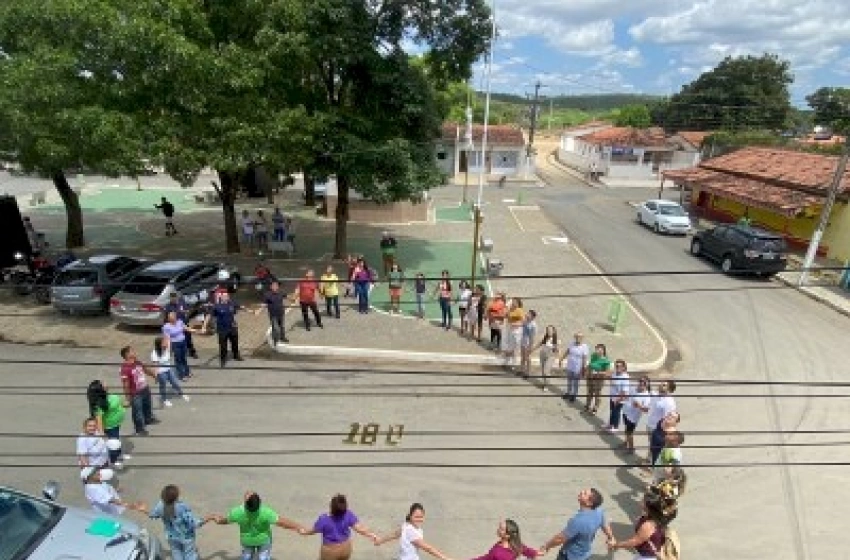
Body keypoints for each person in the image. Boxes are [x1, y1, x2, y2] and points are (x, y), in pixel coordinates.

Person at [212, 491, 305, 560]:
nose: (248, 492)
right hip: (264, 540)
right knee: (263, 557)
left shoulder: (237, 512)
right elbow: (282, 523)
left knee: (246, 556)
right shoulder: (266, 512)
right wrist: (298, 527)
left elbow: (224, 521)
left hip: (247, 541)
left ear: (245, 504)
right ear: (260, 502)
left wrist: (216, 518)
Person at [608, 482, 679, 559]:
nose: (639, 501)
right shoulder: (657, 517)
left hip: (645, 557)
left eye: (643, 501)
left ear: (648, 507)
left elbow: (634, 541)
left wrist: (616, 544)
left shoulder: (648, 525)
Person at [539, 488, 614, 560]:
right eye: (584, 491)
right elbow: (605, 525)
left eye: (585, 493)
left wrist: (546, 546)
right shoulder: (599, 511)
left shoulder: (579, 521)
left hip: (570, 556)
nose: (581, 492)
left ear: (589, 503)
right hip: (585, 554)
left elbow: (560, 538)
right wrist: (610, 537)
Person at [143, 485, 214, 560]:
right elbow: (194, 523)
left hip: (172, 537)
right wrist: (210, 517)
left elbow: (152, 514)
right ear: (176, 496)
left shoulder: (160, 505)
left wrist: (143, 509)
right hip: (186, 537)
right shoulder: (181, 507)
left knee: (176, 553)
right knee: (190, 555)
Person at [299, 494, 379, 560]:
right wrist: (372, 535)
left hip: (330, 550)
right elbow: (360, 529)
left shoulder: (324, 519)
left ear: (331, 506)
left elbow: (313, 531)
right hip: (345, 548)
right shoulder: (348, 514)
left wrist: (304, 532)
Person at [374, 503, 453, 560]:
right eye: (416, 517)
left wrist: (380, 541)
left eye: (421, 517)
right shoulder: (411, 531)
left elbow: (395, 534)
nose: (419, 519)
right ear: (410, 516)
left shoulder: (406, 526)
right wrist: (445, 558)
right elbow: (428, 548)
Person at [119, 346, 159, 436]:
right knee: (137, 411)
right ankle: (139, 429)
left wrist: (154, 375)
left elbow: (145, 370)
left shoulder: (137, 362)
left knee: (147, 406)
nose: (135, 352)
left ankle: (148, 419)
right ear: (127, 354)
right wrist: (128, 398)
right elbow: (125, 385)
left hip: (145, 388)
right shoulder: (125, 368)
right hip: (135, 393)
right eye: (132, 351)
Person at [87, 380, 127, 467]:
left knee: (117, 439)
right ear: (101, 390)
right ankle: (114, 460)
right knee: (113, 443)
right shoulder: (99, 405)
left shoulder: (107, 396)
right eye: (102, 384)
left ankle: (119, 454)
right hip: (110, 427)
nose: (105, 382)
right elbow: (99, 419)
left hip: (116, 424)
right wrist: (102, 433)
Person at [203, 291, 247, 368]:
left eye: (227, 296)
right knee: (223, 345)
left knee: (235, 343)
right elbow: (208, 316)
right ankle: (223, 359)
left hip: (232, 328)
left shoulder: (231, 304)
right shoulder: (216, 306)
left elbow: (241, 307)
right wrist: (204, 326)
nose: (226, 297)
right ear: (221, 297)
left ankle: (236, 355)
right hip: (222, 329)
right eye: (224, 296)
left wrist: (252, 311)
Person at [470, 519, 540, 560]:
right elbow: (531, 552)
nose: (498, 529)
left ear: (507, 535)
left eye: (501, 529)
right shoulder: (516, 545)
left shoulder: (497, 551)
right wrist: (539, 552)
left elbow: (486, 558)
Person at [151, 336, 189, 408]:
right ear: (160, 344)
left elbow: (168, 339)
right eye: (164, 342)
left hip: (169, 370)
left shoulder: (167, 348)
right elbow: (155, 366)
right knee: (163, 386)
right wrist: (155, 376)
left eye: (165, 342)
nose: (166, 343)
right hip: (161, 372)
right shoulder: (154, 353)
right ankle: (164, 399)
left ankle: (181, 393)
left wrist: (168, 337)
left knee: (175, 382)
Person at [645, 381, 677, 466]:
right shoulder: (656, 394)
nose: (660, 385)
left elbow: (668, 419)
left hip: (657, 429)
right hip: (649, 424)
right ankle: (649, 459)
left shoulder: (669, 403)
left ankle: (653, 468)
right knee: (651, 444)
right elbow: (649, 391)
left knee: (656, 449)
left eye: (664, 385)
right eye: (661, 383)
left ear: (669, 389)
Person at [162, 311, 200, 381]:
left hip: (183, 342)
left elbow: (187, 328)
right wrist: (167, 349)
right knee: (178, 360)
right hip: (175, 344)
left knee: (183, 358)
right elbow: (167, 338)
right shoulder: (166, 327)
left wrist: (197, 331)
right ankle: (181, 375)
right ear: (168, 319)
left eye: (174, 317)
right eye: (170, 318)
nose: (173, 319)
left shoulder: (180, 322)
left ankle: (187, 372)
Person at [622, 377, 651, 454]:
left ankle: (631, 448)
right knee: (626, 429)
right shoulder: (634, 388)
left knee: (630, 433)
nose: (642, 383)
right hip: (625, 412)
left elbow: (646, 410)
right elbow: (628, 396)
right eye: (641, 381)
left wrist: (639, 406)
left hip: (633, 418)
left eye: (644, 383)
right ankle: (626, 442)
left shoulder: (647, 396)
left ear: (647, 385)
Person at [164, 292, 198, 359]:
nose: (173, 299)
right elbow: (166, 318)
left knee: (188, 339)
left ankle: (192, 352)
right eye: (172, 298)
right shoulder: (168, 306)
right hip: (174, 326)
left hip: (184, 324)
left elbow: (188, 310)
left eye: (174, 298)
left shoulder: (182, 303)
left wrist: (187, 316)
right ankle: (172, 352)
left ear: (176, 297)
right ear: (170, 298)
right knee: (174, 339)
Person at [559, 332, 589, 403]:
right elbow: (567, 351)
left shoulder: (584, 346)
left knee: (576, 383)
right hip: (570, 366)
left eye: (580, 337)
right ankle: (568, 393)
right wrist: (561, 359)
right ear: (575, 337)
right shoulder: (572, 343)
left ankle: (574, 395)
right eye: (577, 337)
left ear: (582, 338)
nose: (578, 338)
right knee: (569, 381)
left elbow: (584, 358)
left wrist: (584, 368)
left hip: (578, 368)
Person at [603, 359, 630, 433]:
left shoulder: (625, 377)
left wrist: (618, 400)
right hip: (613, 397)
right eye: (616, 366)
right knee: (612, 411)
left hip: (620, 398)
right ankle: (610, 424)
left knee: (616, 412)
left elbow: (624, 391)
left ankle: (615, 427)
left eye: (619, 366)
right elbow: (610, 378)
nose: (617, 367)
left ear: (623, 367)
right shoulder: (614, 373)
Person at [584, 344, 610, 414]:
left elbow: (607, 373)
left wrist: (598, 372)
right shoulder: (593, 356)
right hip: (590, 377)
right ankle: (587, 405)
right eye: (597, 348)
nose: (598, 350)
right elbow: (590, 364)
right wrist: (587, 370)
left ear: (603, 350)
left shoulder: (606, 361)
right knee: (589, 392)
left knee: (597, 394)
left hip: (598, 380)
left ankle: (595, 408)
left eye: (599, 349)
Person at [532, 325, 559, 391]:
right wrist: (532, 350)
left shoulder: (556, 340)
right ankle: (545, 382)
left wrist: (556, 350)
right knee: (543, 371)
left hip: (550, 356)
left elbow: (557, 351)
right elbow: (539, 344)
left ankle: (546, 385)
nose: (549, 331)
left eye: (550, 330)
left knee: (546, 371)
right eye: (547, 330)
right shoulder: (545, 338)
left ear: (554, 331)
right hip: (542, 355)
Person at [501, 298, 525, 366]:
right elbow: (505, 317)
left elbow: (523, 321)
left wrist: (516, 324)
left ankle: (514, 363)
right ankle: (507, 362)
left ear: (517, 303)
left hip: (517, 330)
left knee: (516, 347)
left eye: (514, 302)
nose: (513, 303)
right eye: (512, 302)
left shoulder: (519, 310)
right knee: (510, 346)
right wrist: (506, 311)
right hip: (510, 329)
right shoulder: (510, 309)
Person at [519, 310, 538, 377]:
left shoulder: (533, 325)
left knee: (528, 358)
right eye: (527, 313)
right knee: (522, 357)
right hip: (523, 341)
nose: (527, 314)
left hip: (528, 343)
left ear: (532, 316)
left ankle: (528, 373)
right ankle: (521, 370)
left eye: (529, 314)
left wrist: (530, 346)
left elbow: (532, 337)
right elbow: (520, 325)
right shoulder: (525, 321)